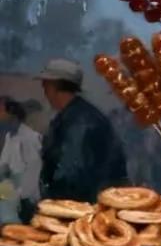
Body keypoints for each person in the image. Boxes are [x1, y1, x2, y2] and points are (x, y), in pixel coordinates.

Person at [36, 59, 127, 212]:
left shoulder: (80, 122)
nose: (44, 91)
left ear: (55, 86)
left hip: (83, 211)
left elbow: (70, 175)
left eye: (46, 85)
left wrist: (51, 206)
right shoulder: (75, 116)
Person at [0, 99, 41, 223]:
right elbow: (4, 166)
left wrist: (11, 193)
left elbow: (32, 175)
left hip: (25, 202)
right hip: (12, 193)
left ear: (11, 114)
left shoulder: (30, 138)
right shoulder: (10, 136)